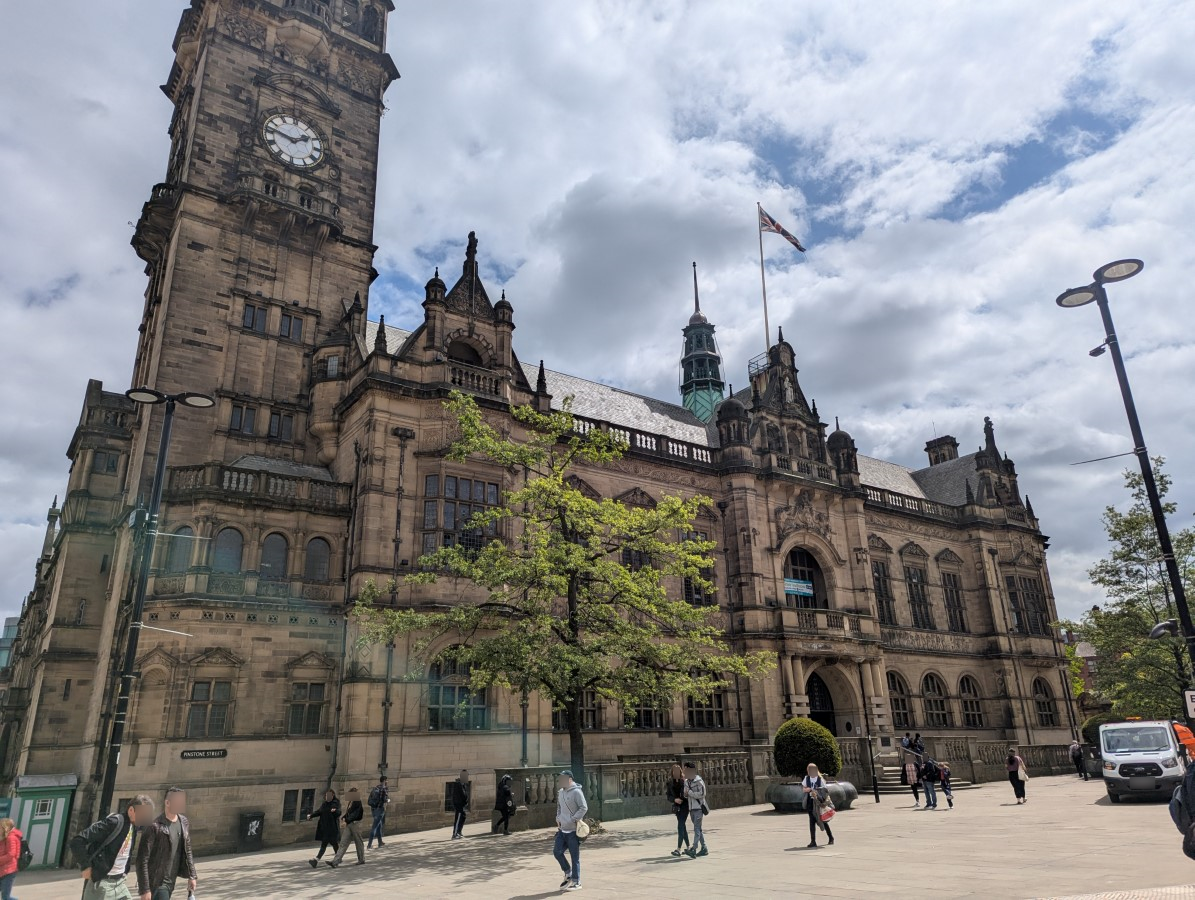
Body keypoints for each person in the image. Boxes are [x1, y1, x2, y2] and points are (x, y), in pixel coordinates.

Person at [70, 794, 157, 900]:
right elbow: (77, 841)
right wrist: (85, 866)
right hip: (103, 883)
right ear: (131, 810)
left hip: (120, 883)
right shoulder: (114, 822)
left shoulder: (133, 827)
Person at [134, 787, 196, 900]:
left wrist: (192, 876)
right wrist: (145, 889)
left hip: (172, 880)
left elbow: (188, 850)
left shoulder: (184, 822)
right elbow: (142, 859)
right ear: (167, 802)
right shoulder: (154, 827)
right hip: (157, 882)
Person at [553, 770, 587, 892]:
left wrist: (573, 819)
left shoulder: (577, 792)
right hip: (562, 830)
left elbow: (584, 807)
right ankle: (568, 872)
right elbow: (559, 807)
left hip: (573, 831)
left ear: (570, 779)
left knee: (574, 857)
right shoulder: (560, 792)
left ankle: (577, 881)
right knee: (557, 852)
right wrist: (558, 817)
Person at [327, 787, 365, 867]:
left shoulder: (357, 802)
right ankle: (336, 861)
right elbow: (350, 812)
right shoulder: (351, 802)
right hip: (349, 824)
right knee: (343, 842)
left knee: (358, 842)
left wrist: (346, 820)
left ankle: (361, 859)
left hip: (355, 824)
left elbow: (355, 814)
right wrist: (344, 817)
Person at [801, 762, 834, 848]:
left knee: (822, 820)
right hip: (810, 802)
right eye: (808, 770)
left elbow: (825, 791)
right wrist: (807, 789)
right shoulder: (806, 778)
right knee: (811, 821)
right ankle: (813, 841)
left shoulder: (820, 779)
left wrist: (817, 792)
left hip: (818, 803)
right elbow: (803, 789)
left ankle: (830, 837)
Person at [682, 761, 709, 859]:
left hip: (699, 808)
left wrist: (689, 792)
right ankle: (704, 848)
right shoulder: (686, 782)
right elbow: (685, 794)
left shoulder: (698, 781)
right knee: (698, 829)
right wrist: (686, 793)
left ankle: (694, 848)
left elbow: (702, 794)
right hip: (691, 808)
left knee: (696, 828)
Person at [307, 789, 340, 867]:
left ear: (332, 796)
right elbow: (319, 811)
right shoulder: (324, 804)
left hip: (332, 828)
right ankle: (317, 860)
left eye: (329, 795)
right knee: (325, 844)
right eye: (326, 795)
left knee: (334, 844)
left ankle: (336, 859)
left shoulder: (335, 803)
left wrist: (334, 811)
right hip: (324, 828)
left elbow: (339, 812)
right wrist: (311, 815)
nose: (327, 797)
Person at [667, 764, 690, 857]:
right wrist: (674, 800)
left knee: (680, 825)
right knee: (682, 827)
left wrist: (682, 798)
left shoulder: (684, 782)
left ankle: (678, 849)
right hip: (677, 807)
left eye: (678, 771)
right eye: (674, 771)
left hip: (685, 806)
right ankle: (688, 847)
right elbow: (668, 796)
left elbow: (687, 794)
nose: (676, 773)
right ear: (672, 773)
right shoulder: (670, 783)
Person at [0, 818, 23, 900]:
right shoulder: (6, 837)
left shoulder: (11, 838)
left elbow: (11, 854)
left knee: (6, 897)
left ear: (5, 828)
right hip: (3, 869)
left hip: (8, 871)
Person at [366, 775, 390, 849]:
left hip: (373, 809)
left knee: (379, 825)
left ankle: (380, 842)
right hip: (379, 809)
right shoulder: (384, 788)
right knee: (375, 827)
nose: (387, 782)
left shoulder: (375, 788)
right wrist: (388, 800)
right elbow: (384, 799)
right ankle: (369, 844)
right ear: (384, 780)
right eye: (387, 780)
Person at [450, 771, 470, 840]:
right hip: (458, 804)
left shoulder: (463, 784)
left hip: (461, 804)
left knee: (463, 816)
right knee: (458, 818)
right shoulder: (458, 784)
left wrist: (465, 801)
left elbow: (465, 794)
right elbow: (461, 795)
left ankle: (459, 831)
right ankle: (455, 834)